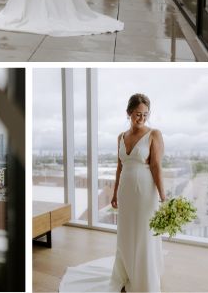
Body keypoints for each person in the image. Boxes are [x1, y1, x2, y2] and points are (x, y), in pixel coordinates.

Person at [60, 94, 165, 292]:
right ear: (128, 113)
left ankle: (144, 277)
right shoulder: (121, 137)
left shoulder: (154, 134)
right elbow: (119, 167)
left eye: (145, 114)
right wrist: (115, 193)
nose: (141, 118)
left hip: (145, 192)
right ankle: (125, 274)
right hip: (126, 191)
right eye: (137, 114)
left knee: (144, 232)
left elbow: (156, 166)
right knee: (126, 233)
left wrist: (163, 196)